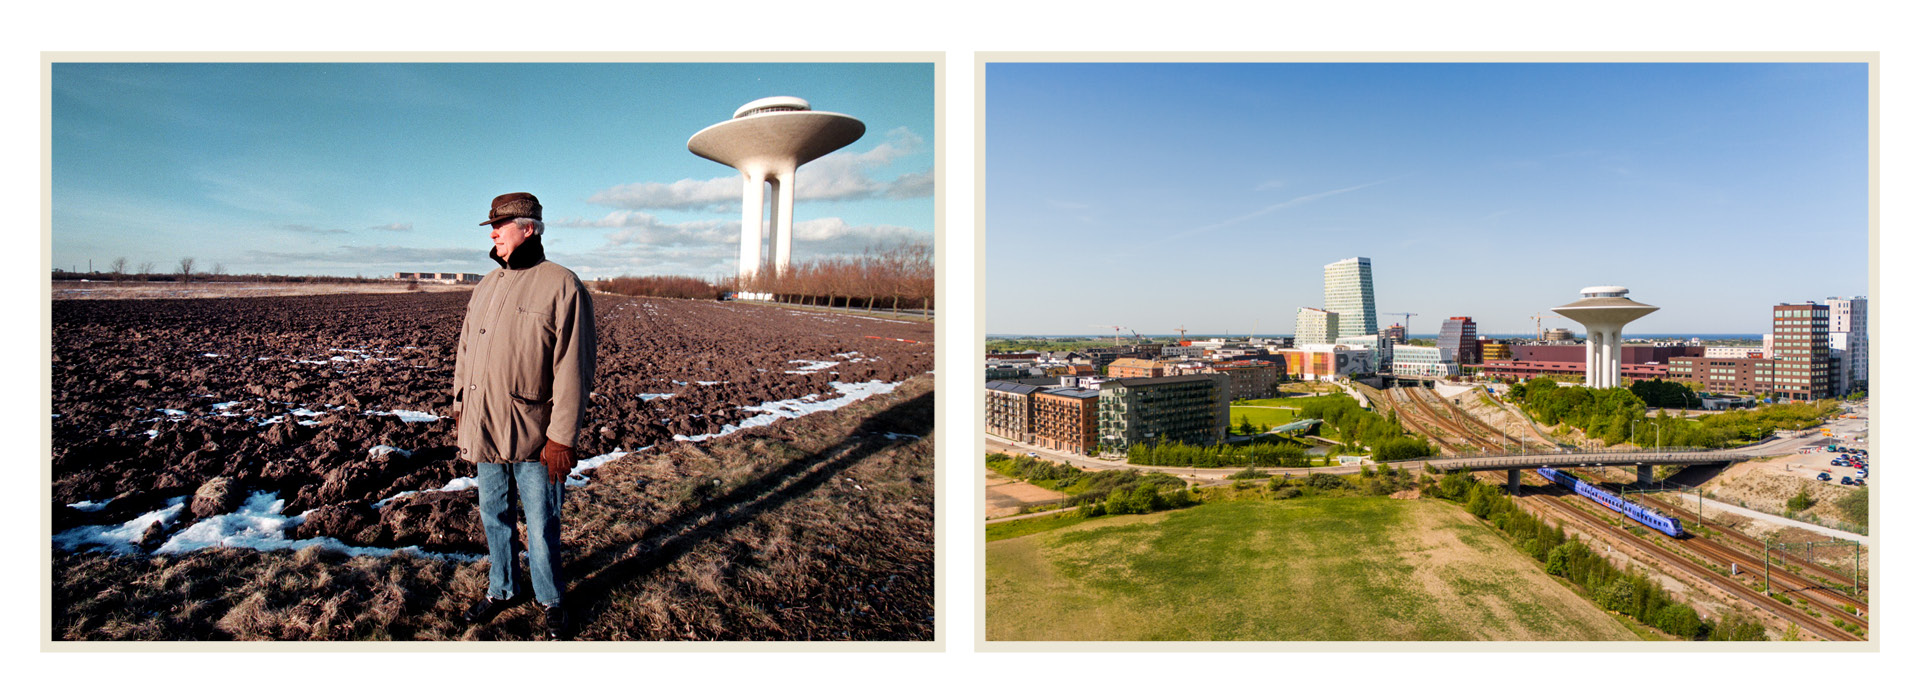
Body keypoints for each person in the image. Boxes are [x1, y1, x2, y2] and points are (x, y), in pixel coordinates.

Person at [451, 192, 596, 640]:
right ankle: (502, 588)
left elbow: (574, 366)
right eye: (491, 226)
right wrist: (461, 407)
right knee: (493, 516)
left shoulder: (562, 285)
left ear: (528, 227)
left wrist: (563, 437)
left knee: (542, 523)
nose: (492, 232)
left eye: (500, 225)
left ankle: (551, 599)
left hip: (535, 437)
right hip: (486, 428)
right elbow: (466, 353)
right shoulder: (486, 285)